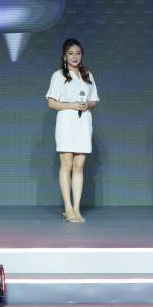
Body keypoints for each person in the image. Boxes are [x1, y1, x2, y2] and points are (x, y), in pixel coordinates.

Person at [46, 38, 100, 222]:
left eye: (78, 53)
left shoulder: (88, 75)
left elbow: (95, 100)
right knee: (67, 165)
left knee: (79, 166)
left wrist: (87, 105)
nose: (75, 57)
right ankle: (68, 208)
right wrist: (72, 105)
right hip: (67, 123)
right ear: (64, 56)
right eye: (71, 53)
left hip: (83, 123)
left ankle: (77, 208)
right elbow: (51, 102)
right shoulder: (59, 75)